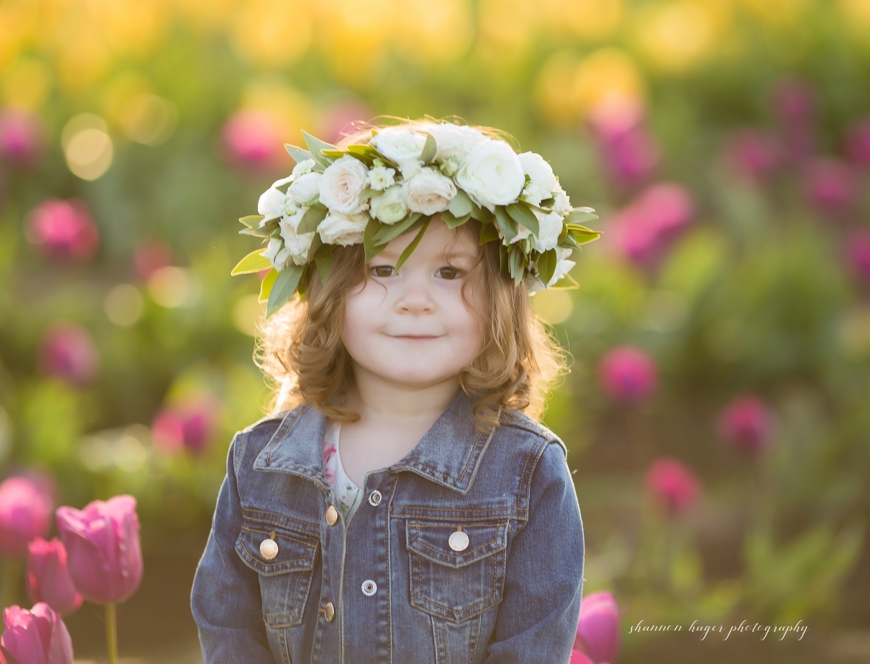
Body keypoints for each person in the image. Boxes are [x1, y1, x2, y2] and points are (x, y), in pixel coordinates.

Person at [192, 119, 593, 663]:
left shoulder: (526, 473)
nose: (414, 300)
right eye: (383, 269)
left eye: (449, 273)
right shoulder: (260, 465)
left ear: (500, 297)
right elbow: (230, 635)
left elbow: (531, 649)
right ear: (329, 293)